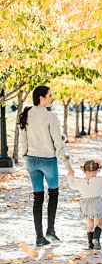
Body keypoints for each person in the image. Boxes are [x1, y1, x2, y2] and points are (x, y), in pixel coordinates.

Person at [19, 86, 74, 247]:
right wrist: (67, 165)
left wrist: (25, 162)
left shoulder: (26, 114)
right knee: (54, 193)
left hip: (32, 161)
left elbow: (24, 142)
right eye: (50, 96)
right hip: (48, 161)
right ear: (41, 98)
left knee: (37, 198)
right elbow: (58, 144)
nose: (52, 98)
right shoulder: (51, 117)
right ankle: (50, 230)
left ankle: (39, 237)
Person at [67, 160, 102, 250]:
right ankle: (96, 238)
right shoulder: (99, 180)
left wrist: (70, 175)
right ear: (97, 171)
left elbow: (72, 185)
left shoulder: (80, 182)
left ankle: (90, 244)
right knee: (99, 224)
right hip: (97, 203)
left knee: (89, 225)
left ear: (84, 171)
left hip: (86, 204)